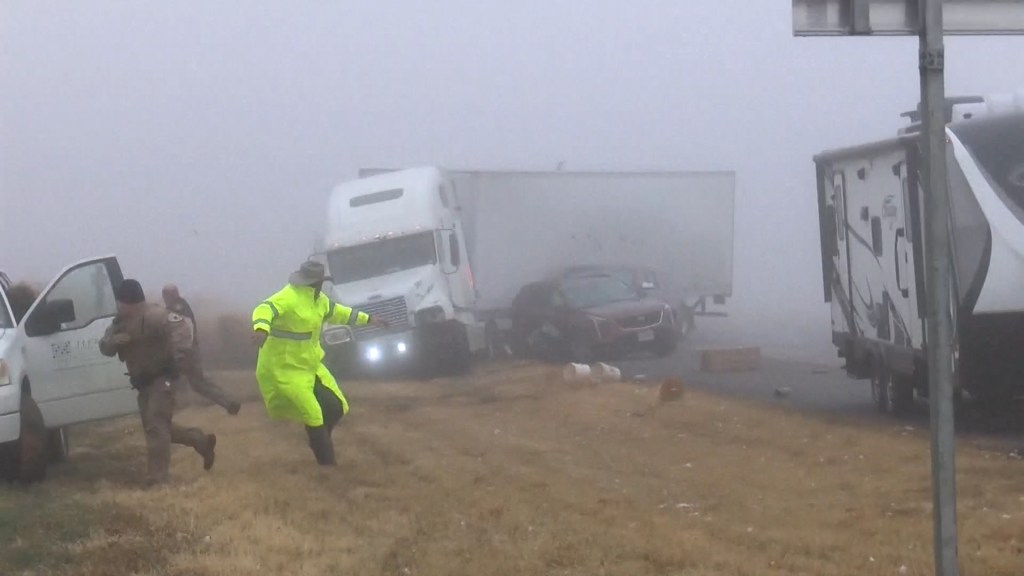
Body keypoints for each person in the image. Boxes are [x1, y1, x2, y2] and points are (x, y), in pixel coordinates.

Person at [251, 261, 385, 466]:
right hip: (284, 369)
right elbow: (264, 309)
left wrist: (370, 319)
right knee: (313, 413)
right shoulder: (288, 297)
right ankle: (327, 464)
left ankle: (319, 438)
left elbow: (342, 313)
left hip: (310, 366)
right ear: (315, 282)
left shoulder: (320, 301)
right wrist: (261, 328)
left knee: (337, 406)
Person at [100, 279, 216, 486]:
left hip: (162, 379)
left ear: (130, 301)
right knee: (158, 428)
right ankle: (200, 440)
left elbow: (183, 328)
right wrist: (112, 342)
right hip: (142, 383)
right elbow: (104, 346)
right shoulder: (119, 324)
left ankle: (157, 478)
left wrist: (177, 359)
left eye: (121, 302)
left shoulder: (155, 316)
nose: (119, 307)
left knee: (156, 425)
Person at [162, 284, 242, 415]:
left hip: (184, 353)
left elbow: (186, 330)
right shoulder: (181, 306)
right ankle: (229, 402)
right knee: (199, 384)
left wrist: (182, 352)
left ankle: (164, 412)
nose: (165, 297)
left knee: (166, 381)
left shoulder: (177, 309)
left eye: (166, 295)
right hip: (191, 351)